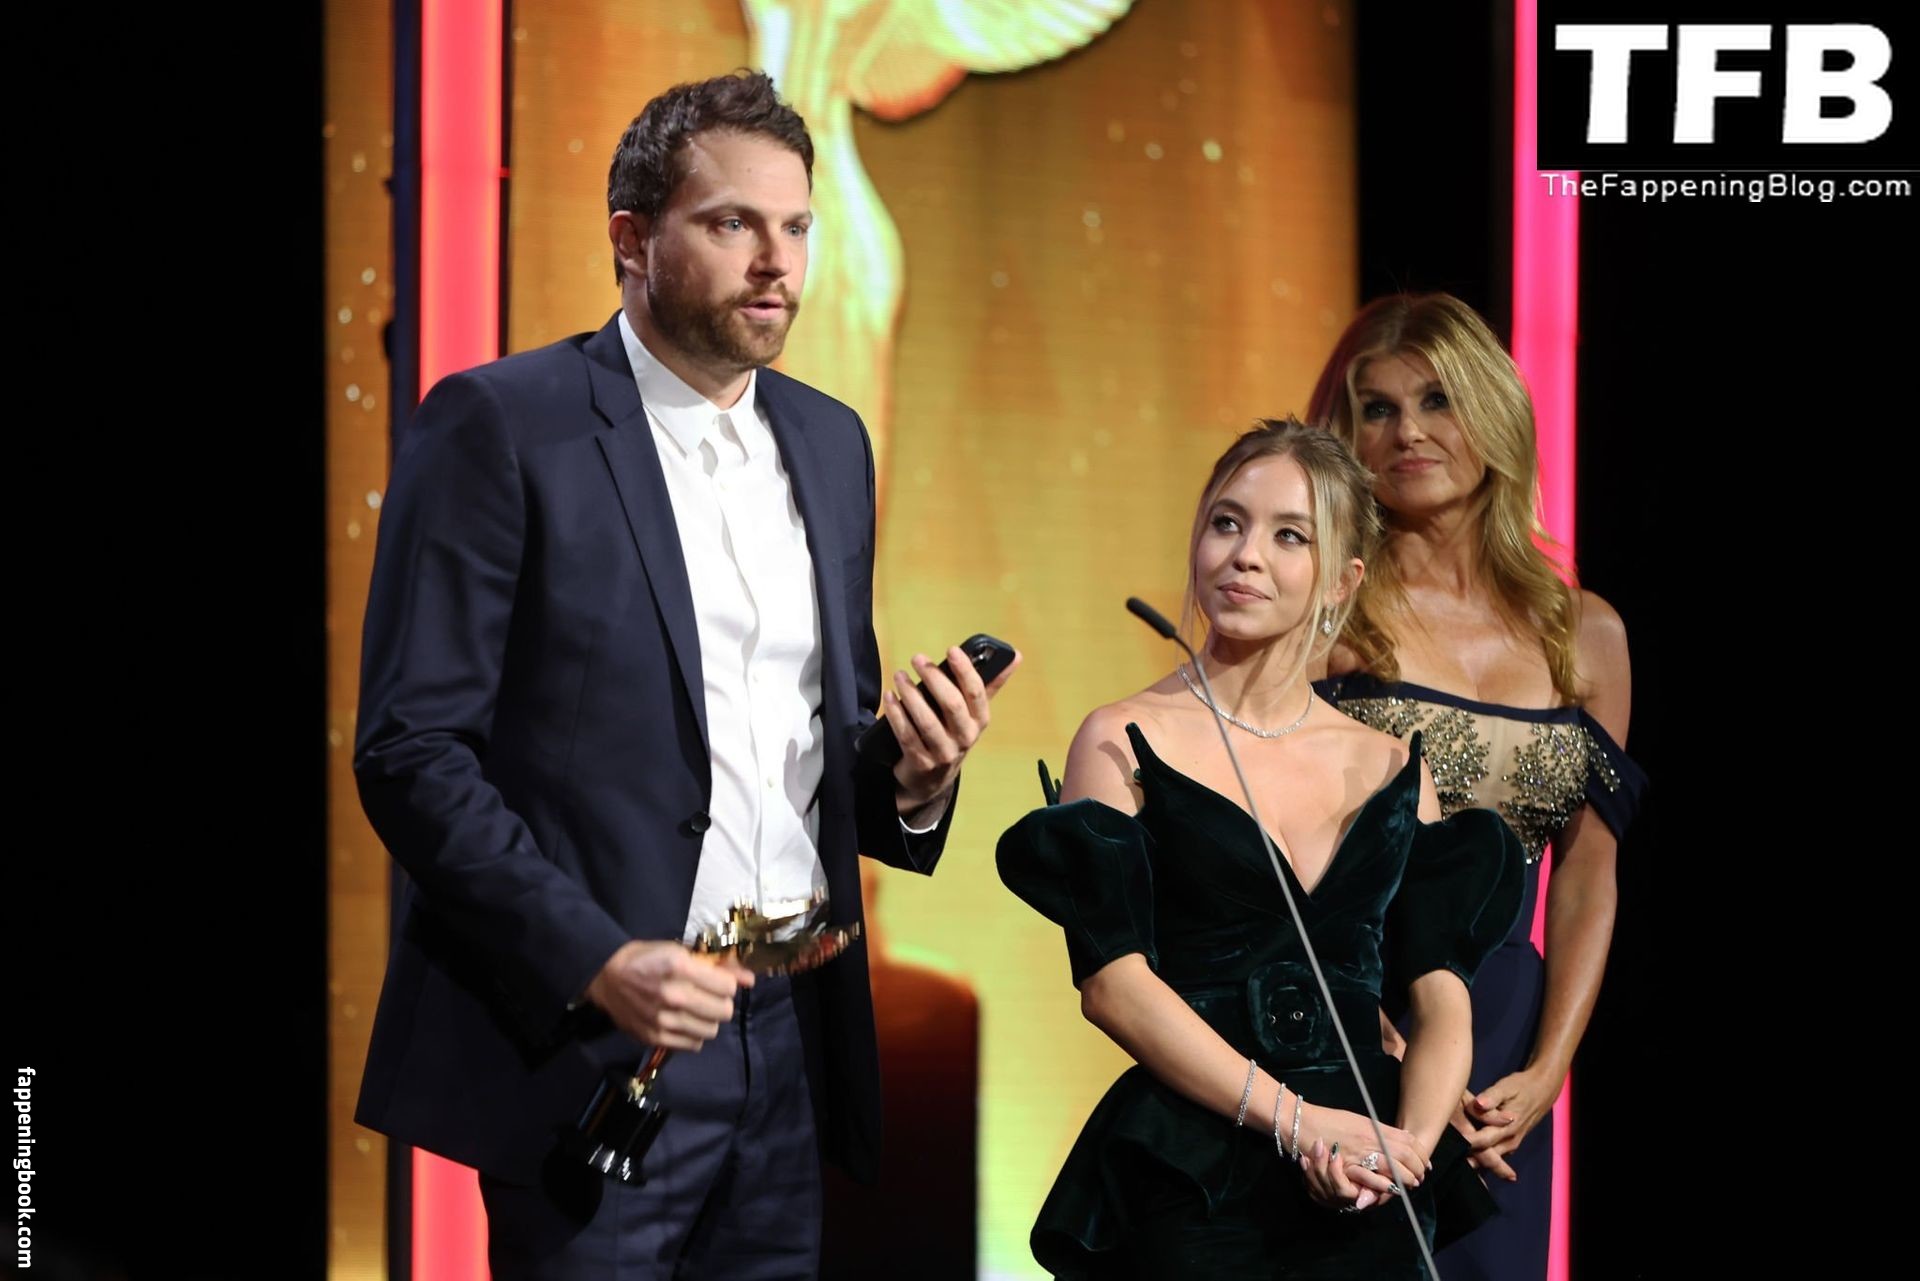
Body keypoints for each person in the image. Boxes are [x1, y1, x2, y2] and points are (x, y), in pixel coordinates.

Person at [352, 69, 1016, 1279]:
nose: (777, 263)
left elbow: (814, 753)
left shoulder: (828, 441)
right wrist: (596, 960)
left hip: (788, 1035)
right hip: (592, 1037)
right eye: (733, 223)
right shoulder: (503, 424)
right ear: (631, 239)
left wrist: (916, 780)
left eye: (797, 227)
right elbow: (412, 753)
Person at [997, 418, 1522, 1277]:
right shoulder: (1123, 738)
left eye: (1289, 536)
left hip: (1371, 1179)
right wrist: (1300, 1123)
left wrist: (1407, 1150)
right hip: (1200, 1171)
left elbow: (1439, 1003)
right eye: (1227, 523)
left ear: (1342, 579)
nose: (1245, 555)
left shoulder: (1392, 765)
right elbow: (1114, 985)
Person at [1307, 292, 1645, 1280]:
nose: (1408, 432)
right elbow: (1257, 837)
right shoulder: (1324, 616)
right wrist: (1375, 1036)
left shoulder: (1584, 634)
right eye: (1377, 409)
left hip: (1506, 1033)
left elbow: (1588, 873)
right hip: (1351, 1010)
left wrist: (1547, 1070)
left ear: (1493, 412)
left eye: (1438, 400)